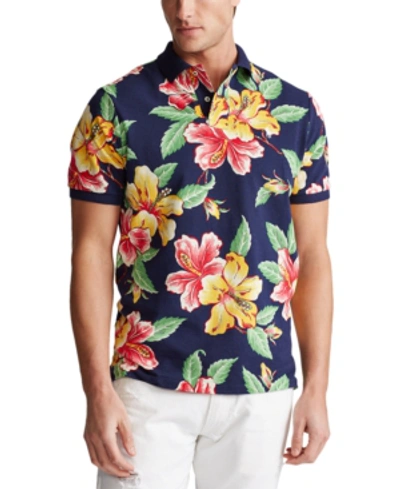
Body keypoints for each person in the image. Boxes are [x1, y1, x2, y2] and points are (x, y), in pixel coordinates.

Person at [67, 1, 333, 488]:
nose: (184, 10)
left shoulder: (295, 113)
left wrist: (317, 388)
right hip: (147, 380)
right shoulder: (116, 107)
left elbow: (312, 255)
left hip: (260, 384)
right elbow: (89, 251)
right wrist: (97, 391)